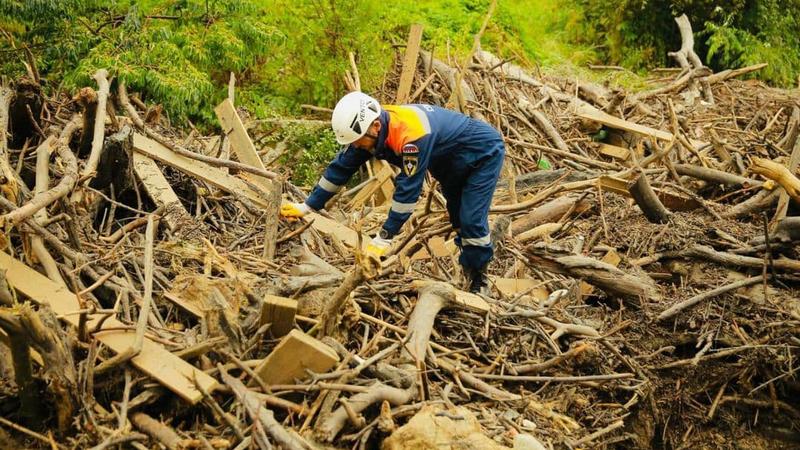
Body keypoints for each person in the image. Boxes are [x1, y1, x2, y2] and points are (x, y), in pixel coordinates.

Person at [280, 91, 505, 293]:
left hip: (482, 153)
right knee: (458, 216)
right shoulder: (368, 130)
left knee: (472, 220)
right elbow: (341, 168)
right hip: (450, 161)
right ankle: (468, 271)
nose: (357, 147)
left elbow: (408, 193)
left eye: (359, 142)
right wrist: (308, 206)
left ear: (376, 127)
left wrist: (384, 237)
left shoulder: (411, 137)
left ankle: (479, 282)